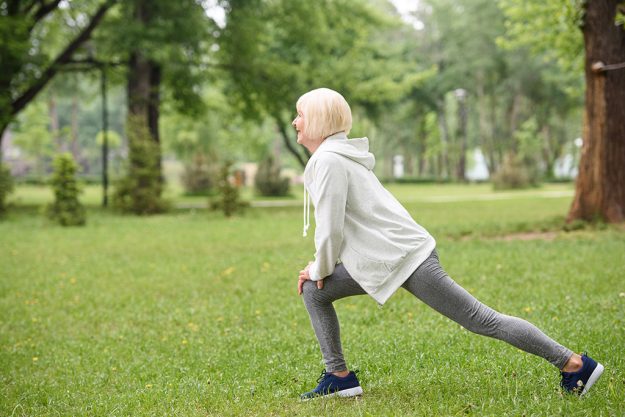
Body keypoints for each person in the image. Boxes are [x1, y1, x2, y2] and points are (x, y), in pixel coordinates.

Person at [292, 87, 603, 400]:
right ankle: (339, 376)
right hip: (388, 258)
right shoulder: (337, 157)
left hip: (406, 259)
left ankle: (574, 364)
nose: (295, 122)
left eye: (301, 115)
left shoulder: (329, 161)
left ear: (318, 120)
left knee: (483, 320)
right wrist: (319, 271)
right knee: (314, 292)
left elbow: (330, 230)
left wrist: (318, 268)